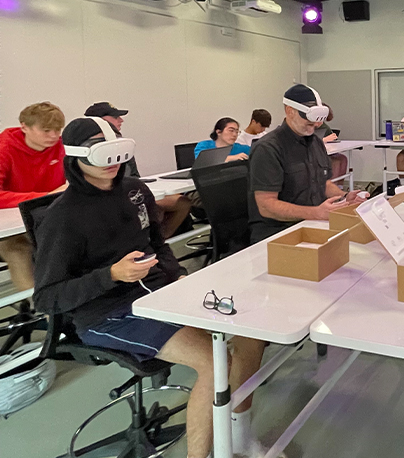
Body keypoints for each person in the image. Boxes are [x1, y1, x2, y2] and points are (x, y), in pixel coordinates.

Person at [33, 117, 274, 458]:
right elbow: (46, 298)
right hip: (109, 313)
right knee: (213, 361)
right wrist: (111, 275)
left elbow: (158, 244)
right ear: (77, 157)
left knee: (250, 335)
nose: (112, 165)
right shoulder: (62, 217)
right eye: (102, 155)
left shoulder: (135, 191)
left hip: (160, 292)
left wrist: (176, 276)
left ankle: (240, 433)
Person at [248, 84, 366, 243]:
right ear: (290, 111)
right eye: (309, 120)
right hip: (278, 233)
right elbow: (266, 206)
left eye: (317, 122)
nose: (316, 125)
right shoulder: (268, 149)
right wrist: (316, 213)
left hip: (313, 223)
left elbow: (323, 183)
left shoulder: (315, 143)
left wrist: (344, 198)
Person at [85, 102, 191, 239]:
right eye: (115, 117)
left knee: (182, 202)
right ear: (100, 121)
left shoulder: (123, 144)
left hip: (129, 193)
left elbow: (135, 175)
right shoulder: (87, 150)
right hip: (108, 200)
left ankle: (157, 243)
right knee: (151, 209)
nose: (121, 120)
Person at [0, 102, 67, 291]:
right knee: (17, 249)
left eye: (57, 130)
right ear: (24, 127)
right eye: (46, 130)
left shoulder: (62, 147)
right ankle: (39, 309)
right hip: (11, 228)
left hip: (48, 218)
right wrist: (43, 196)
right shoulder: (4, 148)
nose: (53, 136)